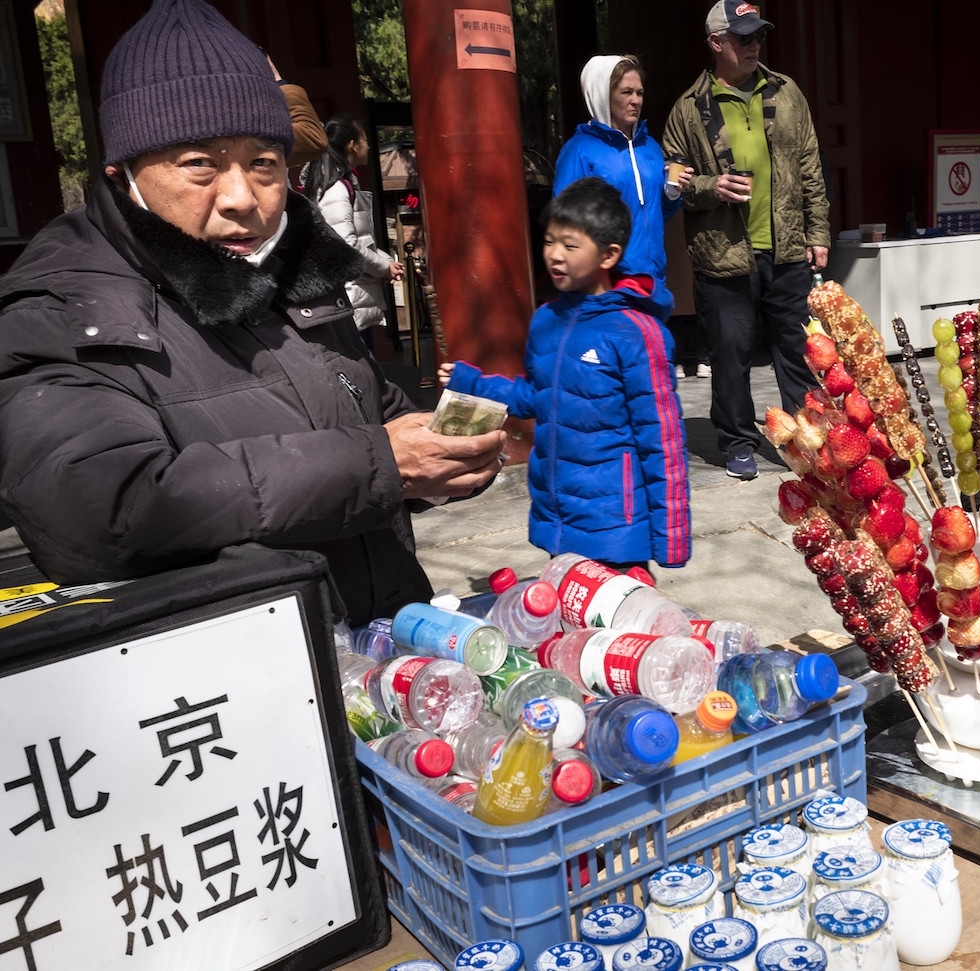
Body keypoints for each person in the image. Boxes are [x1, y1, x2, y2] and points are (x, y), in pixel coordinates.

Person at [0, 0, 505, 625]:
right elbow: (96, 512)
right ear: (123, 171)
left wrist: (443, 453)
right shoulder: (67, 305)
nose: (242, 198)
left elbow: (368, 410)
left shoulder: (293, 267)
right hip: (242, 680)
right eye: (199, 164)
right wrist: (378, 463)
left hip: (388, 650)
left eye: (263, 162)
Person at [438, 177, 690, 573]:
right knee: (570, 627)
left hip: (615, 525)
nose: (555, 254)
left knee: (619, 628)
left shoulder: (637, 333)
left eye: (570, 245)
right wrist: (471, 383)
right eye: (549, 241)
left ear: (608, 255)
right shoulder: (546, 320)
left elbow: (662, 439)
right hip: (560, 514)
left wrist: (671, 536)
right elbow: (535, 397)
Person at [662, 1, 831, 481]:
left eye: (759, 36)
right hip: (722, 253)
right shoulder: (688, 108)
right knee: (730, 355)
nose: (754, 45)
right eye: (743, 38)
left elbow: (810, 168)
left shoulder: (786, 92)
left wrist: (817, 232)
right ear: (717, 43)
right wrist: (708, 188)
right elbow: (670, 178)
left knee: (798, 353)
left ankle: (808, 440)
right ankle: (737, 440)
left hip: (787, 248)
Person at [554, 54, 693, 320]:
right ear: (602, 95)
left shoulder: (650, 147)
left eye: (640, 92)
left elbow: (654, 214)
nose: (636, 100)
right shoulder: (579, 151)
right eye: (626, 92)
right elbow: (566, 226)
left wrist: (672, 194)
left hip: (653, 283)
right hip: (606, 288)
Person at [303, 114, 405, 346]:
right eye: (365, 140)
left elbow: (357, 239)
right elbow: (346, 245)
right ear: (352, 145)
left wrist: (386, 262)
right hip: (347, 296)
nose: (368, 146)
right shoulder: (337, 189)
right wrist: (383, 268)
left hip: (351, 293)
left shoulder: (339, 184)